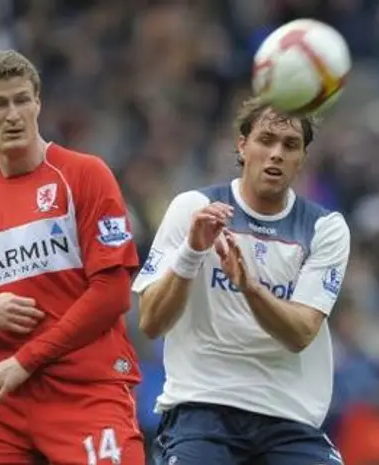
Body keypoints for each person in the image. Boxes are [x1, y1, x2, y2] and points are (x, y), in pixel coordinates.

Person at [0, 50, 144, 464]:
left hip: (86, 390)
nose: (13, 115)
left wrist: (26, 360)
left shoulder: (84, 175)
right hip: (3, 400)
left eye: (22, 100)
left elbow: (113, 294)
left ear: (38, 102)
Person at [132, 97, 351, 465]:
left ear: (303, 158)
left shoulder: (325, 228)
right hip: (201, 410)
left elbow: (299, 334)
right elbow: (151, 322)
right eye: (266, 139)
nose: (276, 153)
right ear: (242, 144)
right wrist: (192, 251)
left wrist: (250, 287)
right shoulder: (192, 208)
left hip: (289, 417)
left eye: (290, 145)